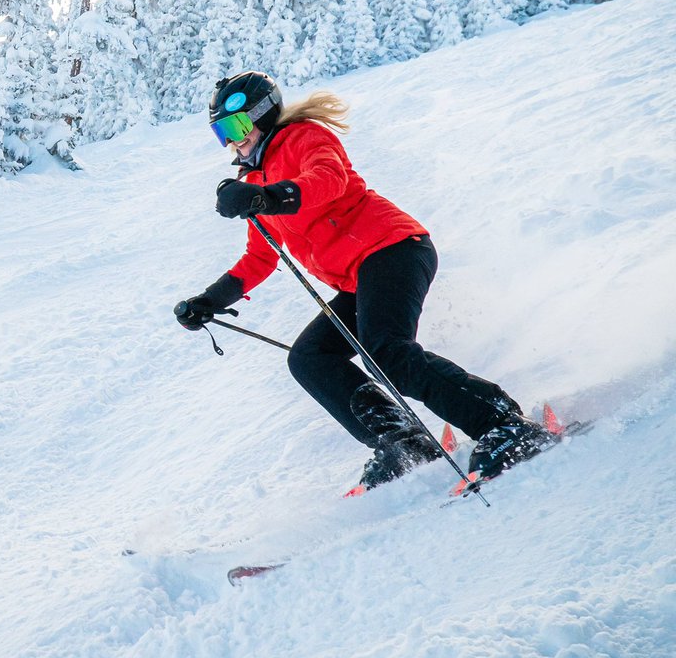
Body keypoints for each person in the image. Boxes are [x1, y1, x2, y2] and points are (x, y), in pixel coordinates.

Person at [175, 71, 556, 490]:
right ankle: (403, 442)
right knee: (310, 358)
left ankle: (503, 423)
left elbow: (328, 179)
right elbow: (259, 258)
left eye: (236, 127)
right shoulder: (255, 181)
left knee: (387, 351)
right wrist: (208, 301)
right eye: (221, 133)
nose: (232, 141)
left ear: (262, 115)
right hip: (359, 278)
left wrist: (268, 197)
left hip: (394, 250)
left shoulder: (302, 137)